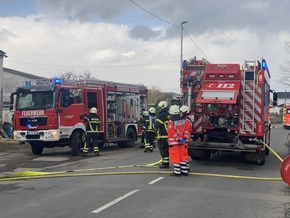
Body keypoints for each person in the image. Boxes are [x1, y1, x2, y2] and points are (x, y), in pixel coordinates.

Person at [167, 105, 190, 176]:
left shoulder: (171, 122)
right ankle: (184, 171)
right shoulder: (182, 121)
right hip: (182, 142)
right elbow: (185, 130)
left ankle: (177, 172)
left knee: (175, 156)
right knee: (182, 156)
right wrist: (183, 139)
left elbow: (172, 132)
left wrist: (178, 139)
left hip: (174, 143)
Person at [154, 101, 170, 168]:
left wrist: (154, 127)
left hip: (163, 136)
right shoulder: (169, 114)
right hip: (169, 136)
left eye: (160, 108)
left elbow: (157, 125)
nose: (159, 109)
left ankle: (165, 164)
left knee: (163, 150)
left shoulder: (161, 115)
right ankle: (166, 162)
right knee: (167, 150)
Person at [179, 105, 192, 173]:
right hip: (185, 140)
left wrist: (183, 138)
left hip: (184, 141)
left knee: (183, 155)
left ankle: (184, 170)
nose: (180, 113)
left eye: (181, 112)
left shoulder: (186, 121)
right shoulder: (186, 120)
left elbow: (187, 131)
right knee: (185, 154)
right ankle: (186, 167)